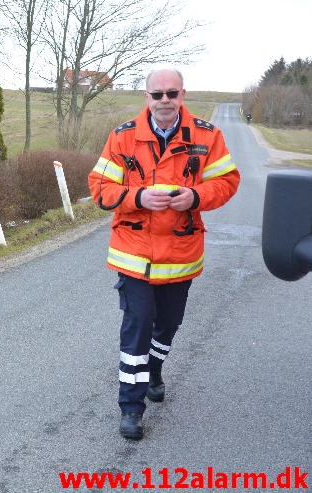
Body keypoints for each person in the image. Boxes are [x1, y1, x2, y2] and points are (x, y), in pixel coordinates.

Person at [87, 68, 240, 440]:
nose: (165, 100)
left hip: (181, 253)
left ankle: (155, 368)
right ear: (147, 98)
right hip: (134, 253)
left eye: (172, 93)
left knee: (168, 324)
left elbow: (228, 181)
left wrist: (198, 197)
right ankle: (131, 408)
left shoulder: (207, 135)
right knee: (137, 326)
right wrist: (137, 196)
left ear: (182, 95)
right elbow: (99, 187)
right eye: (157, 95)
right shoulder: (123, 137)